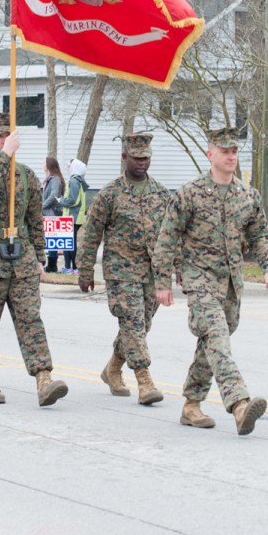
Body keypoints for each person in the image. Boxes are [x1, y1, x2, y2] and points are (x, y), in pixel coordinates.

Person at [152, 128, 268, 435]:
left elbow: (261, 235)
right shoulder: (190, 193)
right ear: (210, 154)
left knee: (212, 343)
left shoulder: (247, 196)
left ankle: (191, 404)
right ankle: (239, 404)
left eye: (234, 151)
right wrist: (162, 281)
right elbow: (167, 237)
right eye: (225, 151)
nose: (231, 156)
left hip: (232, 284)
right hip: (199, 280)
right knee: (218, 338)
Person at [0, 113, 68, 407]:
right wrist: (5, 156)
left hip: (22, 259)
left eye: (8, 135)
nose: (4, 139)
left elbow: (35, 219)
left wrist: (40, 256)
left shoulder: (26, 175)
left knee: (31, 319)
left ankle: (43, 378)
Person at [78, 133, 172, 406]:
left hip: (151, 272)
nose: (142, 162)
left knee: (140, 326)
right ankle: (145, 381)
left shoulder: (161, 193)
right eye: (136, 158)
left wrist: (176, 268)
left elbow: (171, 235)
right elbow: (91, 234)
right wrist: (85, 270)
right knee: (132, 322)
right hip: (121, 271)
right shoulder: (110, 194)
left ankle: (112, 369)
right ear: (124, 157)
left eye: (146, 158)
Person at [60, 158, 88, 273]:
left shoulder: (74, 181)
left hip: (72, 217)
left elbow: (73, 200)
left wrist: (61, 201)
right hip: (74, 217)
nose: (68, 168)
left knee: (69, 243)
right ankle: (68, 267)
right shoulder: (78, 180)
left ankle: (74, 268)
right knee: (68, 243)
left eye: (69, 165)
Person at [41, 156, 65, 274]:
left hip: (52, 212)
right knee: (50, 239)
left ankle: (52, 266)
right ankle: (50, 265)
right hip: (48, 211)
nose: (43, 165)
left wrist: (42, 206)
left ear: (49, 165)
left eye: (44, 163)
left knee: (52, 239)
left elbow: (54, 195)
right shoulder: (49, 179)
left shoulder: (55, 179)